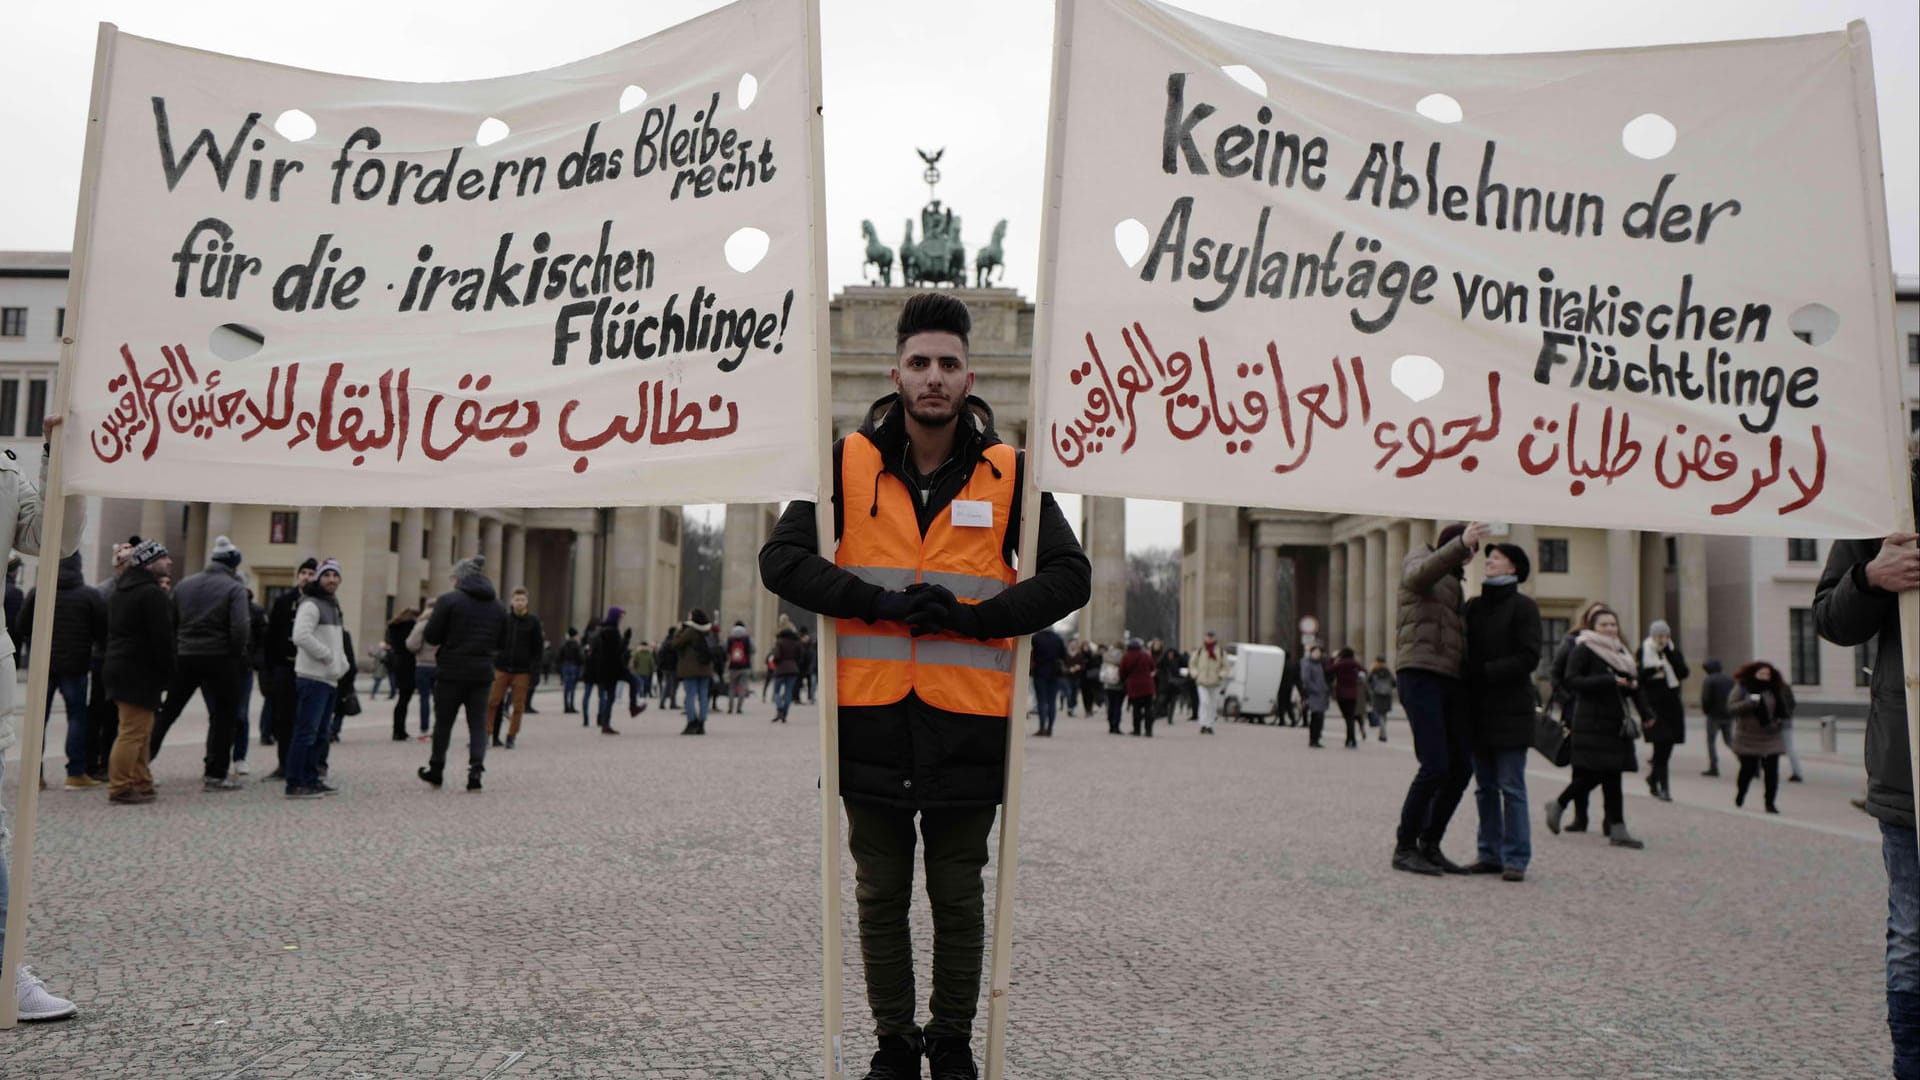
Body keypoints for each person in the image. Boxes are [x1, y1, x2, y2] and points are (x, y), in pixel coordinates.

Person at [758, 291, 1090, 1079]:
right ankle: (893, 1044)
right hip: (868, 713)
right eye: (919, 364)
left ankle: (950, 1042)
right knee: (877, 894)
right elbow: (781, 561)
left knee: (957, 895)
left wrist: (979, 618)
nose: (933, 378)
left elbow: (1070, 575)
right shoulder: (841, 464)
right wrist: (871, 600)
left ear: (970, 376)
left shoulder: (1012, 475)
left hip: (966, 719)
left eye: (946, 364)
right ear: (895, 372)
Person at [1813, 437, 1918, 1078]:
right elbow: (1831, 617)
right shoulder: (1885, 503)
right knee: (1914, 930)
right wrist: (1871, 579)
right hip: (1910, 759)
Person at [1392, 520, 1489, 876]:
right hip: (1419, 671)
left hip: (1448, 677)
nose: (1468, 560)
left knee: (1461, 766)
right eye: (1468, 553)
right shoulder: (1421, 558)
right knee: (1434, 764)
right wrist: (1461, 545)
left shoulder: (1454, 581)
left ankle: (1430, 843)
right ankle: (1404, 847)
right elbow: (1418, 577)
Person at [1462, 542, 1542, 883]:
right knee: (1484, 787)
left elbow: (1530, 656)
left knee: (1511, 786)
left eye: (1496, 558)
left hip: (1511, 709)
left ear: (1513, 569)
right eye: (1488, 557)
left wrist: (1486, 671)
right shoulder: (1473, 606)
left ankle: (1516, 857)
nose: (1489, 561)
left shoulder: (1524, 607)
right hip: (1478, 709)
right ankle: (1489, 853)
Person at [149, 534, 251, 791]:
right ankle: (215, 773)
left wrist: (178, 648)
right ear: (233, 564)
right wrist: (235, 653)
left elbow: (171, 622)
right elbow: (240, 627)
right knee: (223, 716)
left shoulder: (185, 585)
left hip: (186, 655)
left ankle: (140, 764)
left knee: (168, 712)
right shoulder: (234, 587)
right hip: (220, 657)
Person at [1543, 606, 1649, 849]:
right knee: (1597, 773)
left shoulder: (1622, 652)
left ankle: (1617, 829)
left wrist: (1646, 712)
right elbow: (1572, 680)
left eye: (1613, 624)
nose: (1610, 629)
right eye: (1604, 625)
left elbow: (1635, 686)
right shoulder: (1584, 648)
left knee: (1613, 775)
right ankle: (1562, 804)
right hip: (1590, 720)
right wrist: (1608, 680)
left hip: (1615, 722)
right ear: (1593, 627)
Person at [17, 551, 107, 789]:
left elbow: (21, 625)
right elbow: (102, 632)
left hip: (42, 665)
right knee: (77, 717)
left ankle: (34, 776)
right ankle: (75, 773)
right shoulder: (89, 595)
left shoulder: (38, 593)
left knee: (38, 720)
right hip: (75, 665)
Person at [419, 556, 504, 792]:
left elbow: (432, 635)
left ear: (460, 578)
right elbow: (503, 641)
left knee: (443, 723)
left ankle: (436, 770)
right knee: (477, 724)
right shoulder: (497, 606)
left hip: (451, 671)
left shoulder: (449, 600)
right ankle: (476, 769)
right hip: (482, 672)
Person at [104, 539, 173, 805]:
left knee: (141, 731)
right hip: (139, 671)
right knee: (133, 732)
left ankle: (142, 781)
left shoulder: (123, 589)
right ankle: (120, 786)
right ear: (150, 563)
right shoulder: (151, 593)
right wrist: (168, 672)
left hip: (123, 667)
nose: (170, 562)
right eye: (164, 558)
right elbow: (161, 639)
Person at [286, 559, 349, 799]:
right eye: (327, 575)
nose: (331, 579)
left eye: (335, 575)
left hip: (329, 678)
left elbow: (337, 640)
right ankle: (295, 782)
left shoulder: (332, 605)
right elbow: (300, 635)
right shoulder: (311, 604)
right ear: (318, 578)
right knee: (306, 732)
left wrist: (341, 664)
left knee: (321, 734)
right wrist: (327, 657)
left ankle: (311, 779)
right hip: (313, 677)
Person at [1548, 601, 1610, 832]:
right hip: (1577, 714)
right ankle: (1580, 816)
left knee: (1608, 767)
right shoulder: (1573, 642)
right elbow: (1556, 675)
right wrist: (1567, 700)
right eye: (1598, 620)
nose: (1605, 627)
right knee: (1582, 766)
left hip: (1606, 716)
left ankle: (1610, 819)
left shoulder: (1616, 646)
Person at [264, 557, 319, 778]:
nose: (306, 577)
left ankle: (308, 764)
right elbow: (272, 636)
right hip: (285, 668)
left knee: (308, 720)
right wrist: (268, 668)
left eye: (311, 573)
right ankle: (284, 764)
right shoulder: (284, 601)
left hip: (310, 669)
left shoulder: (321, 603)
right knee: (283, 718)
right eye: (303, 572)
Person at [1637, 618, 1690, 802]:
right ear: (1652, 636)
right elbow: (1638, 677)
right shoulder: (1644, 651)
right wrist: (1653, 670)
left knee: (1666, 748)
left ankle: (1653, 779)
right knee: (1660, 745)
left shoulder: (1673, 651)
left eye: (1665, 635)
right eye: (1659, 636)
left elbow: (1683, 672)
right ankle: (1664, 788)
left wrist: (1668, 654)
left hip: (1672, 706)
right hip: (1653, 706)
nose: (1662, 639)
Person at [1727, 660, 1791, 814]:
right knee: (1747, 770)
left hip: (1771, 735)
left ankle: (1770, 803)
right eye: (1761, 673)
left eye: (1767, 674)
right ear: (1754, 674)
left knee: (1771, 772)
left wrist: (1780, 722)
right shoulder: (1743, 688)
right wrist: (1749, 703)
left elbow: (1784, 710)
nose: (1764, 677)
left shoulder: (1775, 690)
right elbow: (1732, 708)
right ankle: (1741, 793)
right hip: (1748, 736)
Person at [486, 586, 544, 749]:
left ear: (527, 601)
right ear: (511, 601)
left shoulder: (533, 622)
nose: (519, 603)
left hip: (522, 670)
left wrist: (535, 672)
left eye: (522, 600)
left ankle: (511, 735)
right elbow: (495, 641)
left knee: (518, 706)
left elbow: (537, 649)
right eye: (517, 599)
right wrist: (495, 658)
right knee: (493, 701)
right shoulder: (505, 620)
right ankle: (487, 732)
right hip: (502, 667)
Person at [585, 607, 635, 734]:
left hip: (601, 669)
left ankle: (603, 722)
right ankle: (632, 707)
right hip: (611, 668)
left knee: (606, 696)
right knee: (634, 682)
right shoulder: (611, 631)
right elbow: (617, 650)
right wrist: (627, 639)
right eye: (620, 617)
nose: (621, 619)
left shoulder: (600, 632)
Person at [673, 608, 715, 735]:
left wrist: (679, 631)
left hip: (690, 670)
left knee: (690, 696)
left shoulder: (690, 631)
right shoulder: (708, 631)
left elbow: (676, 644)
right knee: (703, 696)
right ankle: (702, 723)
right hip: (705, 668)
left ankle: (691, 722)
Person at [386, 608, 419, 741]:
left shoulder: (393, 627)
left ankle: (397, 730)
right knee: (405, 699)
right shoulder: (410, 627)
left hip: (398, 662)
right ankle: (400, 731)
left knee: (402, 699)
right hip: (408, 664)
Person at [1698, 658, 1735, 777]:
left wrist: (1706, 710)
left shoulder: (1709, 680)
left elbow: (1706, 698)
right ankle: (1748, 761)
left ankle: (1714, 766)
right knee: (1729, 740)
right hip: (1728, 714)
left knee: (1711, 742)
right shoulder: (1729, 679)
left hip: (1714, 715)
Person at [1030, 626, 1066, 737]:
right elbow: (1063, 655)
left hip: (1040, 673)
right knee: (1051, 702)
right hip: (1054, 673)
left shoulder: (1036, 638)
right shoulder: (1058, 638)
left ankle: (1041, 727)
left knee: (1041, 701)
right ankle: (1050, 728)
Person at [1328, 646, 1365, 748]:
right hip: (1353, 693)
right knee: (1350, 717)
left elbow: (1328, 670)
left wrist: (1332, 659)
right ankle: (1351, 739)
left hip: (1341, 693)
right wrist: (1356, 676)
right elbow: (1364, 671)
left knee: (1347, 717)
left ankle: (1350, 739)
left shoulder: (1340, 663)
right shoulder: (1354, 663)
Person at [1121, 637, 1157, 737]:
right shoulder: (1146, 656)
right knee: (1148, 709)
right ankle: (1149, 730)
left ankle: (1137, 730)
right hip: (1147, 686)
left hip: (1134, 686)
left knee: (1136, 709)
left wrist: (1125, 680)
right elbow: (1152, 667)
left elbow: (1122, 671)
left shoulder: (1126, 656)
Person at [1191, 631, 1225, 735]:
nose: (1209, 639)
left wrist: (1221, 675)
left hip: (1215, 682)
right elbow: (1192, 664)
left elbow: (1226, 666)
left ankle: (1210, 725)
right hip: (1202, 681)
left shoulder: (1220, 651)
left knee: (1213, 705)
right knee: (1204, 702)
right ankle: (1203, 724)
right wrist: (1195, 674)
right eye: (1208, 637)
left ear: (1215, 639)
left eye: (1211, 637)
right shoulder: (1200, 651)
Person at [770, 615, 802, 723]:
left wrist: (775, 660)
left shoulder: (779, 642)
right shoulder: (796, 642)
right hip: (793, 669)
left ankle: (780, 708)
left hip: (780, 670)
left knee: (776, 692)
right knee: (788, 693)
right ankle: (784, 714)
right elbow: (800, 656)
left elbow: (777, 656)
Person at [1298, 645, 1329, 749]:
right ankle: (1313, 739)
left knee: (1319, 717)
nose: (1318, 654)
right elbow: (1306, 679)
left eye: (1319, 652)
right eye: (1316, 652)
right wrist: (1314, 689)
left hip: (1321, 694)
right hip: (1314, 694)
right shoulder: (1307, 663)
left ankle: (1316, 739)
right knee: (1316, 716)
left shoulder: (1320, 664)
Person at [725, 620, 755, 714]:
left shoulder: (730, 638)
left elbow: (726, 650)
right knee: (742, 688)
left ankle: (730, 708)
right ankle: (739, 708)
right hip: (745, 666)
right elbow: (754, 650)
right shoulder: (747, 638)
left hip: (733, 666)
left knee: (732, 687)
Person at [1365, 657, 1396, 742]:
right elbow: (1394, 683)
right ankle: (1382, 732)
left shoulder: (1374, 671)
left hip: (1377, 694)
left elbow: (1368, 682)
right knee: (1384, 714)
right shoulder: (1388, 671)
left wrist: (1372, 689)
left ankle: (1383, 733)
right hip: (1387, 695)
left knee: (1380, 714)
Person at [1100, 639, 1125, 734]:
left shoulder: (1107, 655)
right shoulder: (1123, 655)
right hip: (1119, 684)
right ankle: (1116, 726)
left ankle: (1110, 725)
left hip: (1108, 683)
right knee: (1117, 706)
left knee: (1110, 705)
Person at [557, 627, 584, 714]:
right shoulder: (576, 645)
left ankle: (566, 706)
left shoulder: (564, 644)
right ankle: (571, 706)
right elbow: (580, 657)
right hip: (573, 666)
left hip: (565, 666)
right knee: (572, 687)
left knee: (566, 687)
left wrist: (559, 668)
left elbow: (559, 656)